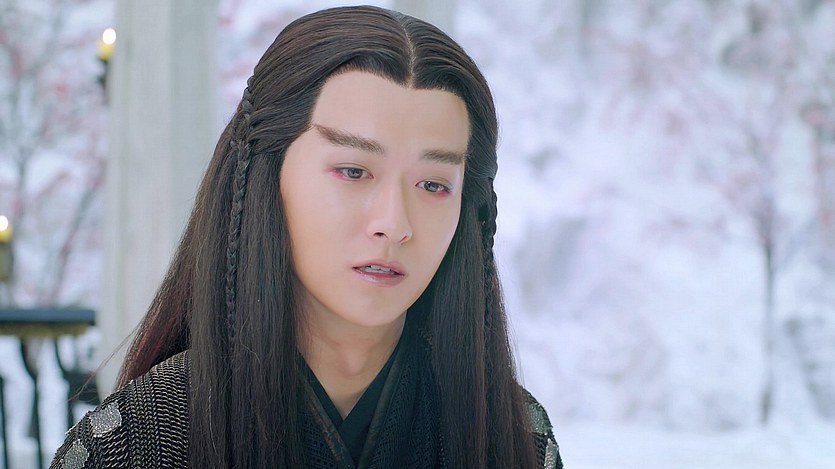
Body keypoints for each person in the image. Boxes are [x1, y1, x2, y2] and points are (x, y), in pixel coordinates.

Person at [51, 5, 562, 468]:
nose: (394, 224)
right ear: (266, 177)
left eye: (433, 185)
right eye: (353, 171)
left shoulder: (510, 436)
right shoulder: (140, 441)